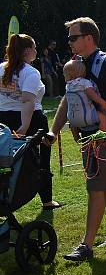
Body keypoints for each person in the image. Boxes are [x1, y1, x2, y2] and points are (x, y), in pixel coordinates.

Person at [46, 17, 106, 260]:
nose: (69, 43)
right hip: (88, 138)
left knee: (96, 187)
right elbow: (67, 100)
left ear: (89, 38)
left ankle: (86, 245)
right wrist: (53, 131)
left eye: (72, 38)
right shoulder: (75, 65)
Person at [0, 34, 61, 209]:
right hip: (30, 120)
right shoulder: (30, 72)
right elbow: (28, 100)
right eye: (34, 48)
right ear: (27, 51)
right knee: (42, 159)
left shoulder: (1, 69)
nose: (36, 51)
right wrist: (25, 126)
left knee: (5, 160)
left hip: (4, 120)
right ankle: (47, 200)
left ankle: (5, 197)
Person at [63, 57, 106, 138]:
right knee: (102, 117)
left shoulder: (68, 86)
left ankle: (76, 135)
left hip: (72, 118)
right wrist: (103, 103)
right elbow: (92, 95)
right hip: (87, 116)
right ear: (83, 72)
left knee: (73, 122)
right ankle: (105, 136)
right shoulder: (84, 82)